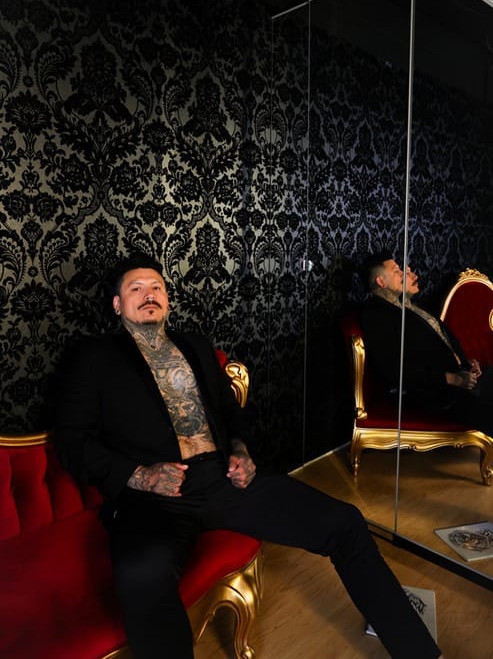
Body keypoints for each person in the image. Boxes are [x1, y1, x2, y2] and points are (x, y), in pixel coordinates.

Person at [55, 253, 443, 659]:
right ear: (118, 304)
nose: (149, 295)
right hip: (153, 498)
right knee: (140, 574)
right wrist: (141, 475)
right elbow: (72, 442)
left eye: (157, 287)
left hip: (223, 480)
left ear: (167, 298)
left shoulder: (195, 346)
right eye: (136, 289)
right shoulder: (94, 359)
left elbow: (232, 412)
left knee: (346, 523)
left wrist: (241, 450)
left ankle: (420, 652)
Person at [360, 251, 493, 433]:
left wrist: (466, 363)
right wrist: (453, 379)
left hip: (460, 379)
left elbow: (439, 344)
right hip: (436, 394)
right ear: (381, 282)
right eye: (397, 271)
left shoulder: (410, 307)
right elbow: (395, 369)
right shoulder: (376, 316)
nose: (406, 274)